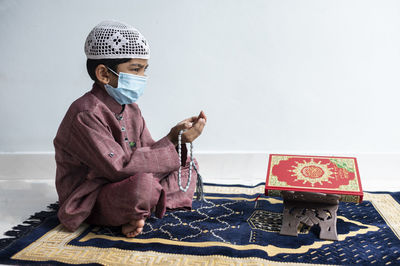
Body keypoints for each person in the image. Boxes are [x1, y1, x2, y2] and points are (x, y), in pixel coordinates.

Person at [53, 20, 206, 238]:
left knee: (186, 163)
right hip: (94, 194)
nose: (142, 77)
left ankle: (142, 210)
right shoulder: (85, 114)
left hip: (126, 180)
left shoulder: (131, 108)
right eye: (135, 70)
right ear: (104, 74)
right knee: (142, 185)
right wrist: (171, 146)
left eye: (144, 70)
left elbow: (148, 153)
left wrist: (175, 138)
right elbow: (118, 168)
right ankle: (143, 207)